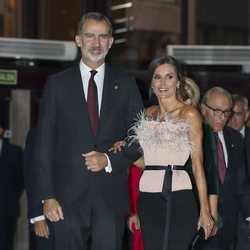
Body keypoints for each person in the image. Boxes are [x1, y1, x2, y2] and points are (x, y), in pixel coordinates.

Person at [36, 12, 143, 250]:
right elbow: (44, 144)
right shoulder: (57, 84)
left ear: (111, 42)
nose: (96, 43)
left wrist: (108, 158)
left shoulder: (126, 84)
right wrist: (47, 197)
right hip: (66, 199)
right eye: (90, 36)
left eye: (102, 36)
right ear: (78, 40)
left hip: (110, 198)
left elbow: (139, 140)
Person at [125, 55, 213, 250]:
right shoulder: (148, 114)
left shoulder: (189, 113)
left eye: (169, 77)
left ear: (178, 81)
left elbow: (198, 166)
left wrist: (205, 211)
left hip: (178, 196)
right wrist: (122, 149)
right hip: (148, 198)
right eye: (157, 77)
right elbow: (148, 162)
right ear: (151, 82)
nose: (163, 83)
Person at [200, 87, 250, 250]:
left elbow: (240, 183)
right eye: (217, 111)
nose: (223, 118)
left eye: (227, 112)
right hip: (200, 219)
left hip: (229, 220)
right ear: (203, 109)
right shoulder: (194, 137)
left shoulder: (235, 138)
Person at [23, 128, 54, 250]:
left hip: (84, 217)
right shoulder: (39, 132)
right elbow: (32, 173)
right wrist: (38, 216)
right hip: (49, 219)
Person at [227, 94, 250, 250]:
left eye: (238, 113)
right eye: (230, 113)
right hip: (226, 209)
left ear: (247, 114)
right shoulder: (218, 137)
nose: (233, 119)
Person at [0, 120, 23, 250]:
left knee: (5, 243)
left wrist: (9, 197)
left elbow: (20, 180)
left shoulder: (14, 151)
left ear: (1, 130)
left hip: (7, 208)